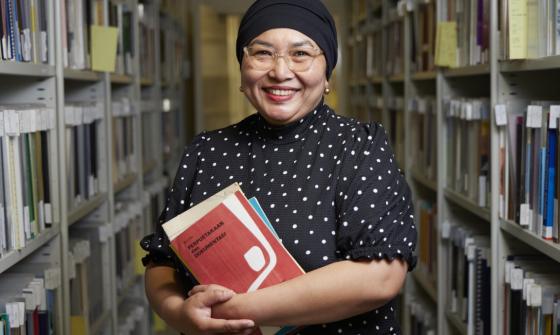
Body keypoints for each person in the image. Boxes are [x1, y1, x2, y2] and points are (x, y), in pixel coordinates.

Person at [140, 0, 417, 334]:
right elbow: (162, 262)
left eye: (300, 53)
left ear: (327, 70)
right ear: (242, 67)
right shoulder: (206, 151)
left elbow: (380, 277)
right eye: (263, 53)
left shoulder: (359, 147)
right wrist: (179, 313)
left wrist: (233, 310)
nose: (280, 71)